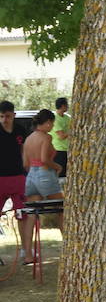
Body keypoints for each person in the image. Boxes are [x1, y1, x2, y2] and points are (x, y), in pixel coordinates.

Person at [0, 100, 34, 264]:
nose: (4, 120)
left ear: (13, 115)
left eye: (7, 116)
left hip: (18, 179)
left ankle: (26, 251)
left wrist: (26, 169)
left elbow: (23, 151)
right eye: (1, 116)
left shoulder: (20, 130)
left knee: (22, 215)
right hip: (0, 180)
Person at [22, 109, 63, 205]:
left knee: (33, 211)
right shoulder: (46, 137)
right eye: (52, 123)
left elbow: (25, 164)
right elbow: (44, 159)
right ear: (48, 122)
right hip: (45, 173)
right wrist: (57, 167)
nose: (53, 126)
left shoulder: (28, 139)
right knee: (61, 207)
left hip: (31, 176)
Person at [51, 97, 71, 176]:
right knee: (60, 173)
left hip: (67, 149)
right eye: (67, 105)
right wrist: (72, 132)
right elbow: (61, 136)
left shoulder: (67, 118)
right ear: (62, 106)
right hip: (58, 149)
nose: (68, 106)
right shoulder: (55, 119)